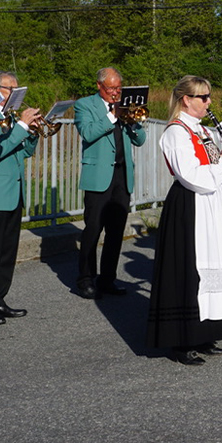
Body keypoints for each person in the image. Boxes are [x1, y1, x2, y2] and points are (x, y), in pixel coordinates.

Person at [147, 75, 222, 365]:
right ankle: (182, 339)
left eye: (209, 96)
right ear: (186, 100)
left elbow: (210, 166)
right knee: (189, 270)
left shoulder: (202, 129)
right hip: (190, 204)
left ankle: (205, 332)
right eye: (203, 97)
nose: (208, 102)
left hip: (210, 200)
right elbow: (190, 175)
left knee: (213, 264)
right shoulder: (176, 132)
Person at [0, 71, 42, 324]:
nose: (15, 94)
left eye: (17, 89)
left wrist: (32, 133)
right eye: (10, 88)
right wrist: (22, 126)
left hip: (14, 192)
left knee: (7, 254)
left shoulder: (9, 117)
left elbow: (23, 152)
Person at [74, 67, 147, 300]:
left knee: (116, 232)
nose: (116, 93)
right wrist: (112, 115)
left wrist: (133, 122)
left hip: (122, 176)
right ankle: (86, 279)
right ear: (99, 86)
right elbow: (87, 133)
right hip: (98, 177)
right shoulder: (85, 105)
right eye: (111, 88)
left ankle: (107, 279)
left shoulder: (125, 106)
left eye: (118, 88)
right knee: (93, 230)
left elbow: (141, 139)